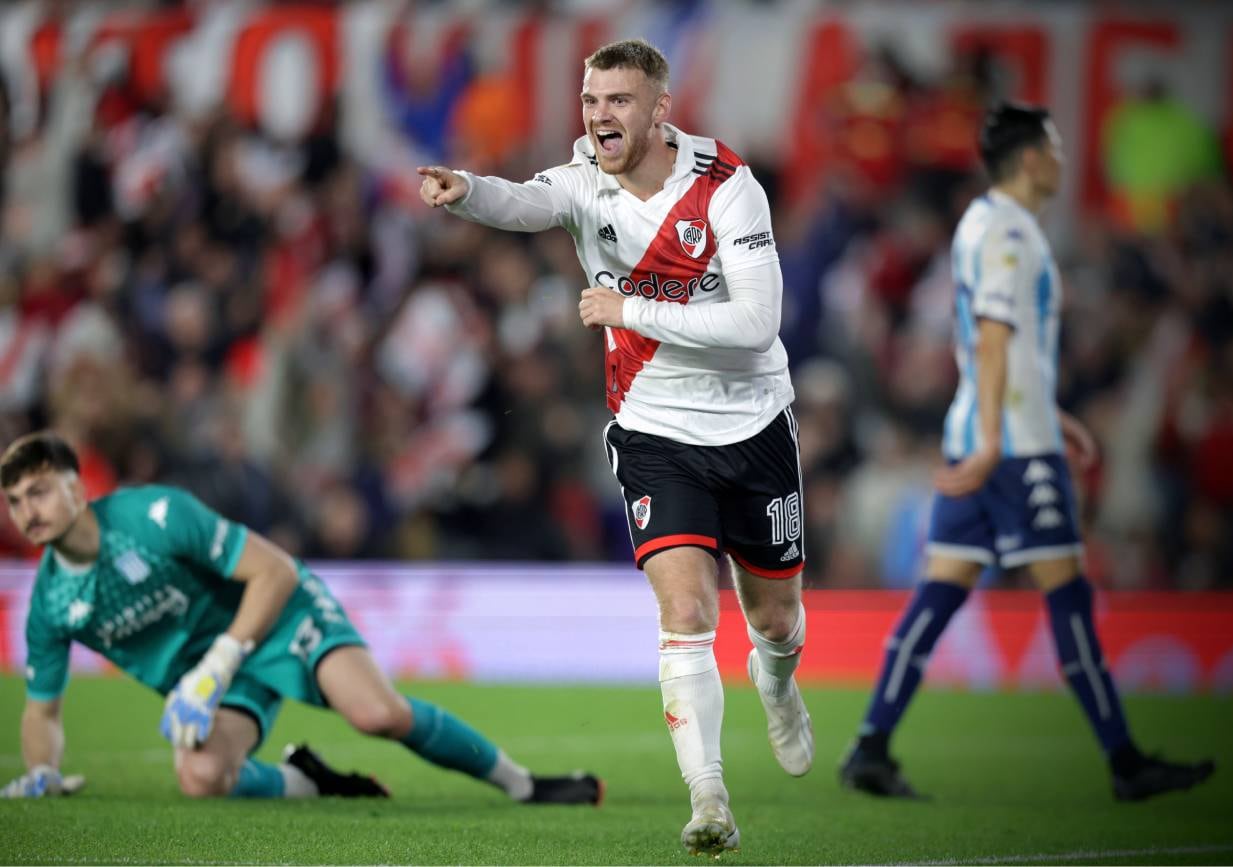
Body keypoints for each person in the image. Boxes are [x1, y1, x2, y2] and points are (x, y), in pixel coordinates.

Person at [418, 38, 812, 856]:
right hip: (652, 428)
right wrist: (465, 193)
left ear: (660, 109)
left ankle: (777, 683)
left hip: (751, 424)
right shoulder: (581, 182)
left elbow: (755, 324)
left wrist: (629, 312)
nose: (600, 115)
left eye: (619, 101)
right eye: (592, 99)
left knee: (775, 617)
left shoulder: (729, 189)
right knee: (687, 608)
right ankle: (708, 797)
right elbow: (522, 201)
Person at [838, 103, 1216, 802]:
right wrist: (997, 439)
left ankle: (870, 744)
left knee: (939, 594)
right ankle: (1127, 764)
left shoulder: (981, 223)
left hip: (995, 431)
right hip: (1010, 449)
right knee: (1068, 597)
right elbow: (990, 336)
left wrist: (1050, 412)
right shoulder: (1011, 232)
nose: (1065, 160)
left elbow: (1002, 349)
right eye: (1058, 146)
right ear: (1034, 158)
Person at [0, 431, 602, 806]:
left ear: (78, 488)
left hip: (275, 617)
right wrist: (44, 769)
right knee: (201, 777)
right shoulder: (50, 603)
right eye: (15, 501)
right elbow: (42, 709)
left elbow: (276, 572)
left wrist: (216, 663)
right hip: (221, 679)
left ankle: (524, 785)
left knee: (377, 713)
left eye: (40, 491)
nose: (28, 511)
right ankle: (314, 782)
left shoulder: (155, 515)